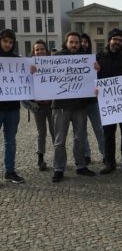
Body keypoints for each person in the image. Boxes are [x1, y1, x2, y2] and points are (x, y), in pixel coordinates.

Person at [51, 32, 96, 183]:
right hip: (61, 106)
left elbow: (93, 80)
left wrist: (96, 69)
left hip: (80, 106)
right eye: (72, 42)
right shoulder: (56, 57)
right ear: (66, 43)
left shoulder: (86, 59)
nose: (74, 45)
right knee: (59, 140)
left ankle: (81, 165)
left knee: (80, 137)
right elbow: (45, 73)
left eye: (77, 42)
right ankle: (58, 168)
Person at [96, 28, 122, 174]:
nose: (117, 42)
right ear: (109, 40)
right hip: (107, 101)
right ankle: (109, 162)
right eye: (115, 39)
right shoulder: (99, 57)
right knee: (108, 134)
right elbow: (93, 77)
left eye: (120, 40)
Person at [0, 29, 25, 183]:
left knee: (11, 141)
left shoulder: (17, 60)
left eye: (10, 42)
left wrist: (31, 71)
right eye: (5, 41)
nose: (8, 44)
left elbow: (25, 79)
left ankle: (10, 171)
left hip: (12, 109)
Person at [29, 40, 55, 171]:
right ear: (33, 52)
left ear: (46, 51)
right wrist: (29, 73)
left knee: (54, 131)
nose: (39, 52)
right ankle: (40, 158)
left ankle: (58, 157)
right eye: (37, 50)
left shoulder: (53, 64)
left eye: (42, 49)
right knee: (41, 132)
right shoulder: (29, 66)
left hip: (52, 105)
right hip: (38, 106)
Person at [81, 33, 105, 164]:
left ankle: (105, 153)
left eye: (86, 42)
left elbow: (100, 79)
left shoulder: (94, 59)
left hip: (92, 101)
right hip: (78, 102)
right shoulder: (71, 58)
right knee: (82, 131)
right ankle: (86, 154)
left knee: (99, 128)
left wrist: (98, 70)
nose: (84, 44)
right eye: (82, 41)